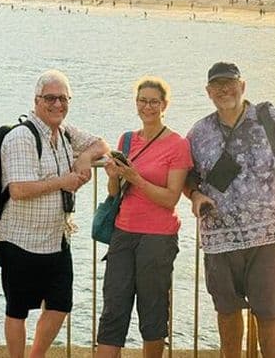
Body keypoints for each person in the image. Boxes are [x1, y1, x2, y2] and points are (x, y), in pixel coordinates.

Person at [186, 62, 275, 358]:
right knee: (227, 312)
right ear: (208, 92)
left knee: (270, 312)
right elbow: (186, 175)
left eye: (230, 83)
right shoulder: (199, 132)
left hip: (268, 236)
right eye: (217, 86)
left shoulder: (268, 119)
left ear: (242, 86)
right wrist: (194, 195)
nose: (224, 90)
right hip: (219, 238)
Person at [0, 69, 109, 358]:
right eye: (50, 98)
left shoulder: (65, 132)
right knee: (17, 310)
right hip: (19, 240)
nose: (57, 104)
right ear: (36, 100)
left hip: (56, 240)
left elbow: (101, 144)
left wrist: (84, 157)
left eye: (63, 98)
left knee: (60, 305)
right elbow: (18, 189)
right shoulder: (21, 137)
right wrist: (63, 182)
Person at [97, 76, 192, 358]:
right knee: (113, 308)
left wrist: (135, 177)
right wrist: (113, 176)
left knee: (152, 313)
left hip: (158, 238)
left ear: (164, 105)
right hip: (123, 232)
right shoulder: (127, 140)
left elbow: (171, 198)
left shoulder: (177, 145)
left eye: (154, 102)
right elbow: (115, 193)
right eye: (142, 101)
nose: (147, 107)